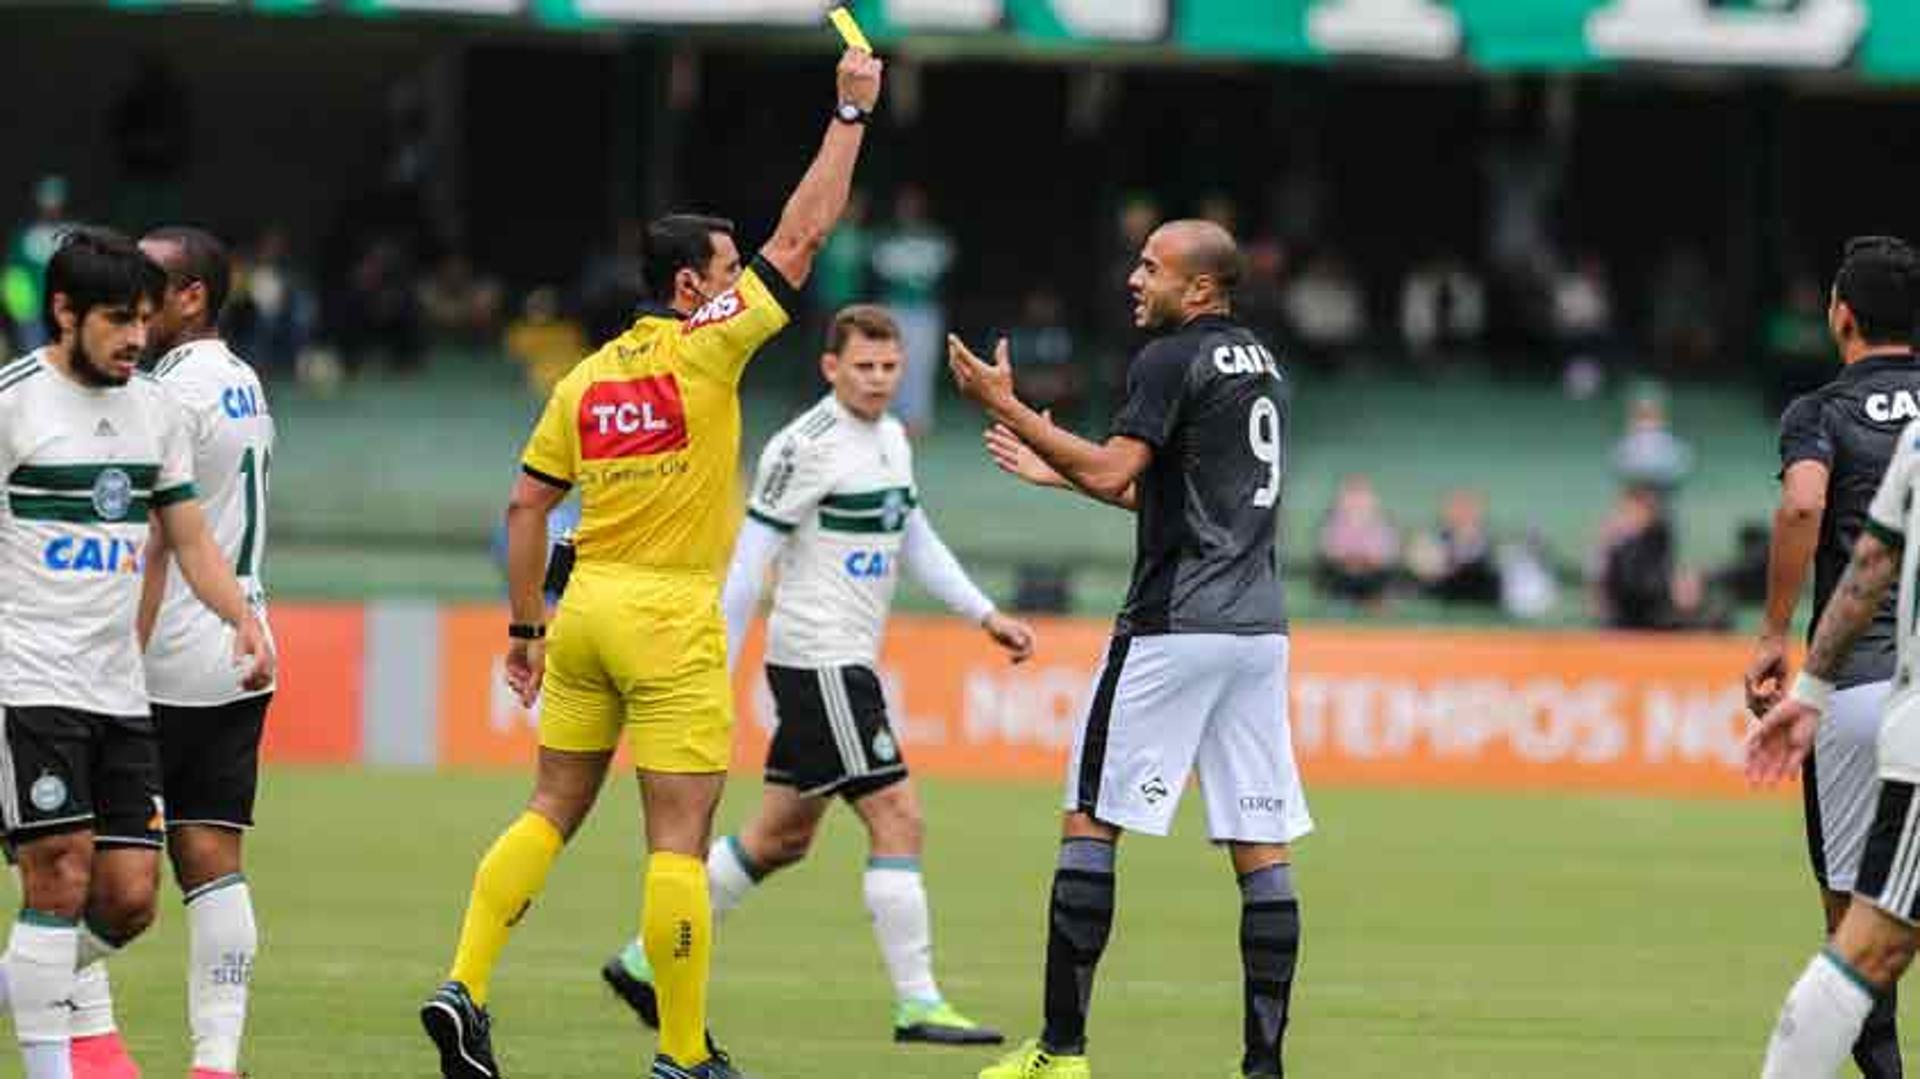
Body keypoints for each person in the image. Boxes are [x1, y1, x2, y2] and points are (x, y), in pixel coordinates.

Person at [417, 46, 883, 1079]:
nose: (740, 282)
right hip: (670, 617)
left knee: (551, 805)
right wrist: (848, 117)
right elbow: (802, 237)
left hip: (582, 615)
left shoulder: (584, 379)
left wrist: (526, 628)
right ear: (692, 286)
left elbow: (526, 502)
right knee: (680, 836)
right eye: (727, 271)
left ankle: (465, 983)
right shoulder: (705, 344)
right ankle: (681, 1055)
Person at [599, 303, 1033, 1047]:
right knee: (899, 817)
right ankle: (919, 1003)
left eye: (890, 366)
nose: (877, 379)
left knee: (780, 836)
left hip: (843, 661)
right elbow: (747, 566)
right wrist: (714, 671)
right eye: (863, 366)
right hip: (819, 658)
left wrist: (982, 612)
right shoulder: (804, 446)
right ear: (831, 367)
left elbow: (914, 536)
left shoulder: (893, 438)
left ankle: (643, 960)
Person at [951, 219, 1310, 1079]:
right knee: (1260, 847)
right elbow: (1171, 496)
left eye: (1153, 267)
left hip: (1174, 627)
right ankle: (1264, 1069)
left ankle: (1060, 1054)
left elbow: (1117, 472)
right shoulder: (1263, 366)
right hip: (1257, 632)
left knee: (1090, 820)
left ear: (1200, 290)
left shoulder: (1166, 360)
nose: (1134, 279)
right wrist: (1060, 467)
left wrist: (1006, 407)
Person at [0, 227, 273, 1079]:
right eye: (118, 319)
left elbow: (187, 539)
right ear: (65, 313)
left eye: (142, 319)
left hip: (123, 688)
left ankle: (21, 987)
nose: (132, 337)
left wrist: (243, 618)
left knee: (127, 899)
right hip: (30, 673)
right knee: (58, 872)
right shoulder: (12, 403)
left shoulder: (155, 407)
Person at [1743, 236, 1920, 1079]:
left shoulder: (1820, 412)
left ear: (1840, 316)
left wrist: (1776, 635)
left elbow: (1804, 505)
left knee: (1853, 935)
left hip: (1858, 688)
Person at [132, 226, 276, 1079]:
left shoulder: (166, 396)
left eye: (148, 284)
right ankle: (216, 1063)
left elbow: (157, 539)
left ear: (192, 297)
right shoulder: (244, 382)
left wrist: (116, 650)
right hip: (239, 640)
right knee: (213, 861)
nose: (131, 299)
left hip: (163, 651)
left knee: (94, 869)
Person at [870, 184, 953, 436]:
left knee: (921, 364)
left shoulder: (935, 237)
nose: (909, 209)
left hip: (924, 310)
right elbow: (882, 269)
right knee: (887, 362)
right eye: (905, 204)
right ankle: (885, 416)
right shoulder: (886, 236)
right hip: (893, 307)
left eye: (914, 204)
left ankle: (917, 419)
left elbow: (940, 267)